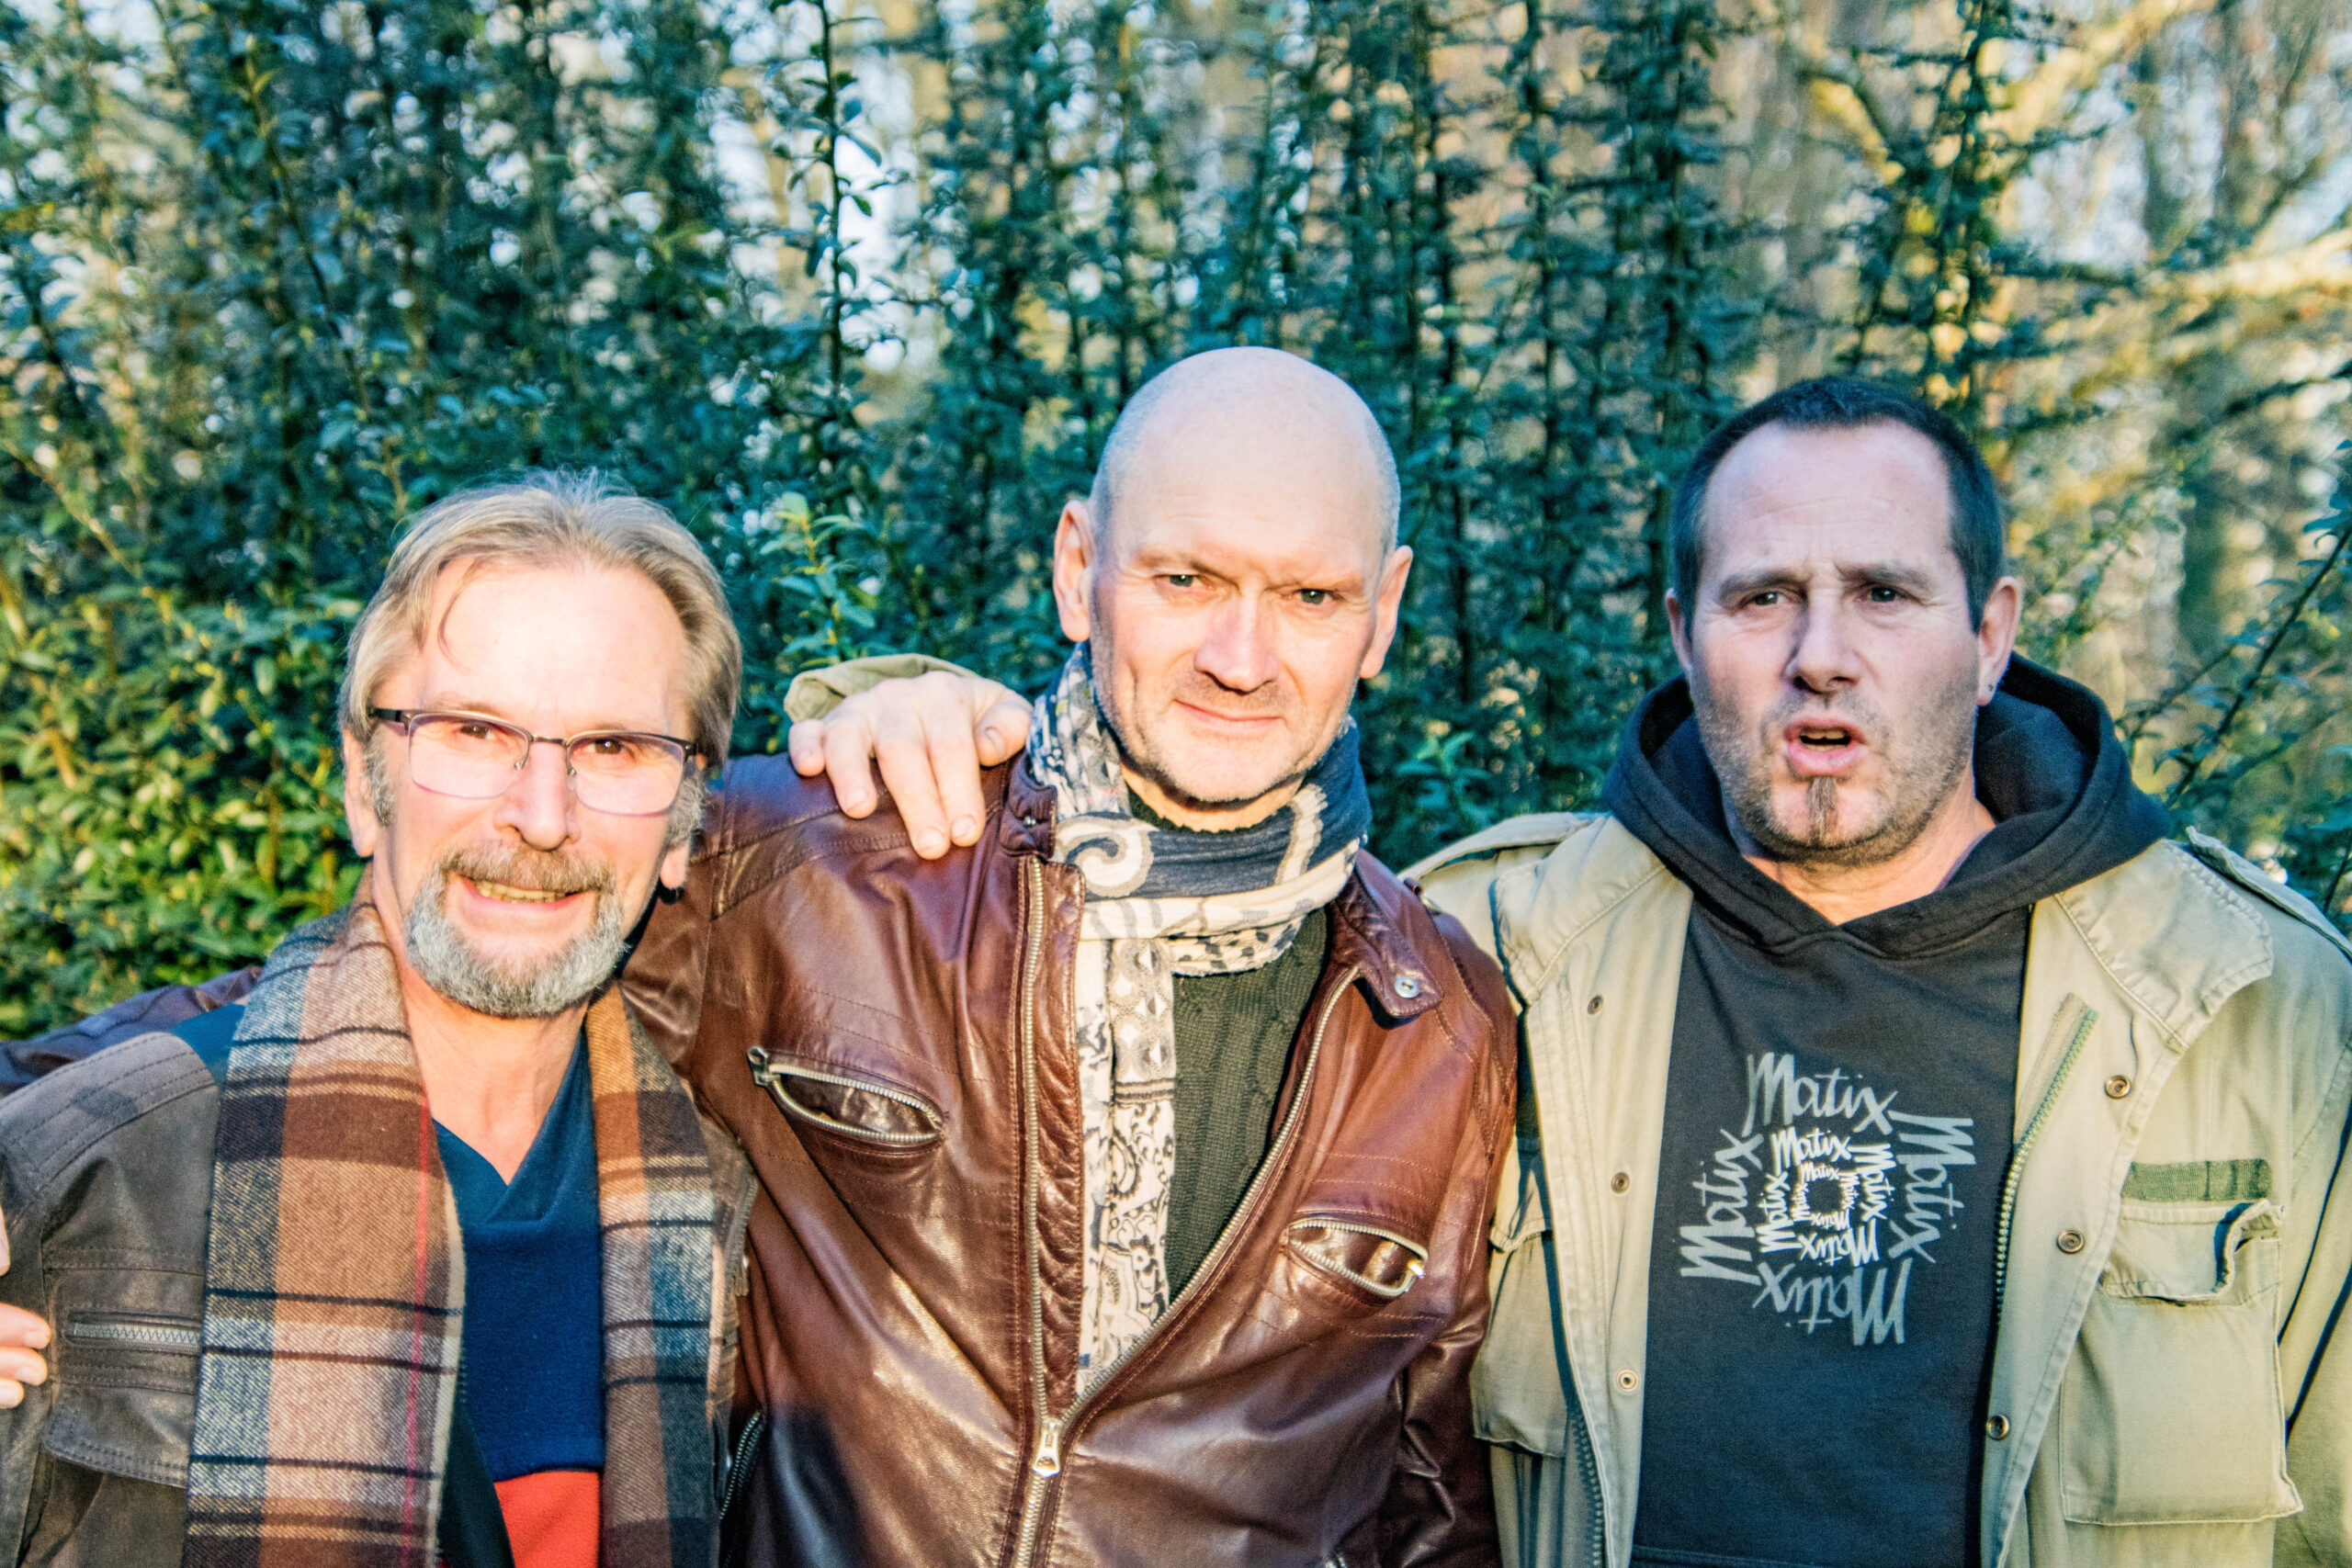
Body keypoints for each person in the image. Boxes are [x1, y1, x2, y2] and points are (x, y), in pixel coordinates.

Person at [786, 376, 2352, 1568]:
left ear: (1992, 631)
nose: (1820, 651)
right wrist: (915, 729)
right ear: (1681, 628)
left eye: (1885, 592)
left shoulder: (2253, 1004)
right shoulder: (1486, 949)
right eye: (1761, 596)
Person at [2, 348, 1517, 1566]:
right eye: (1183, 578)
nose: (1242, 655)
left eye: (1310, 596)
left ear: (1382, 612)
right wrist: (24, 1147)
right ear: (1079, 567)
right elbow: (416, 951)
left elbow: (1427, 1495)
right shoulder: (836, 857)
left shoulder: (1442, 1024)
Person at [0, 475, 758, 1568]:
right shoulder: (84, 1184)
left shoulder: (736, 1204)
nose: (542, 817)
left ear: (684, 825)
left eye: (613, 748)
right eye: (473, 730)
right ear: (365, 781)